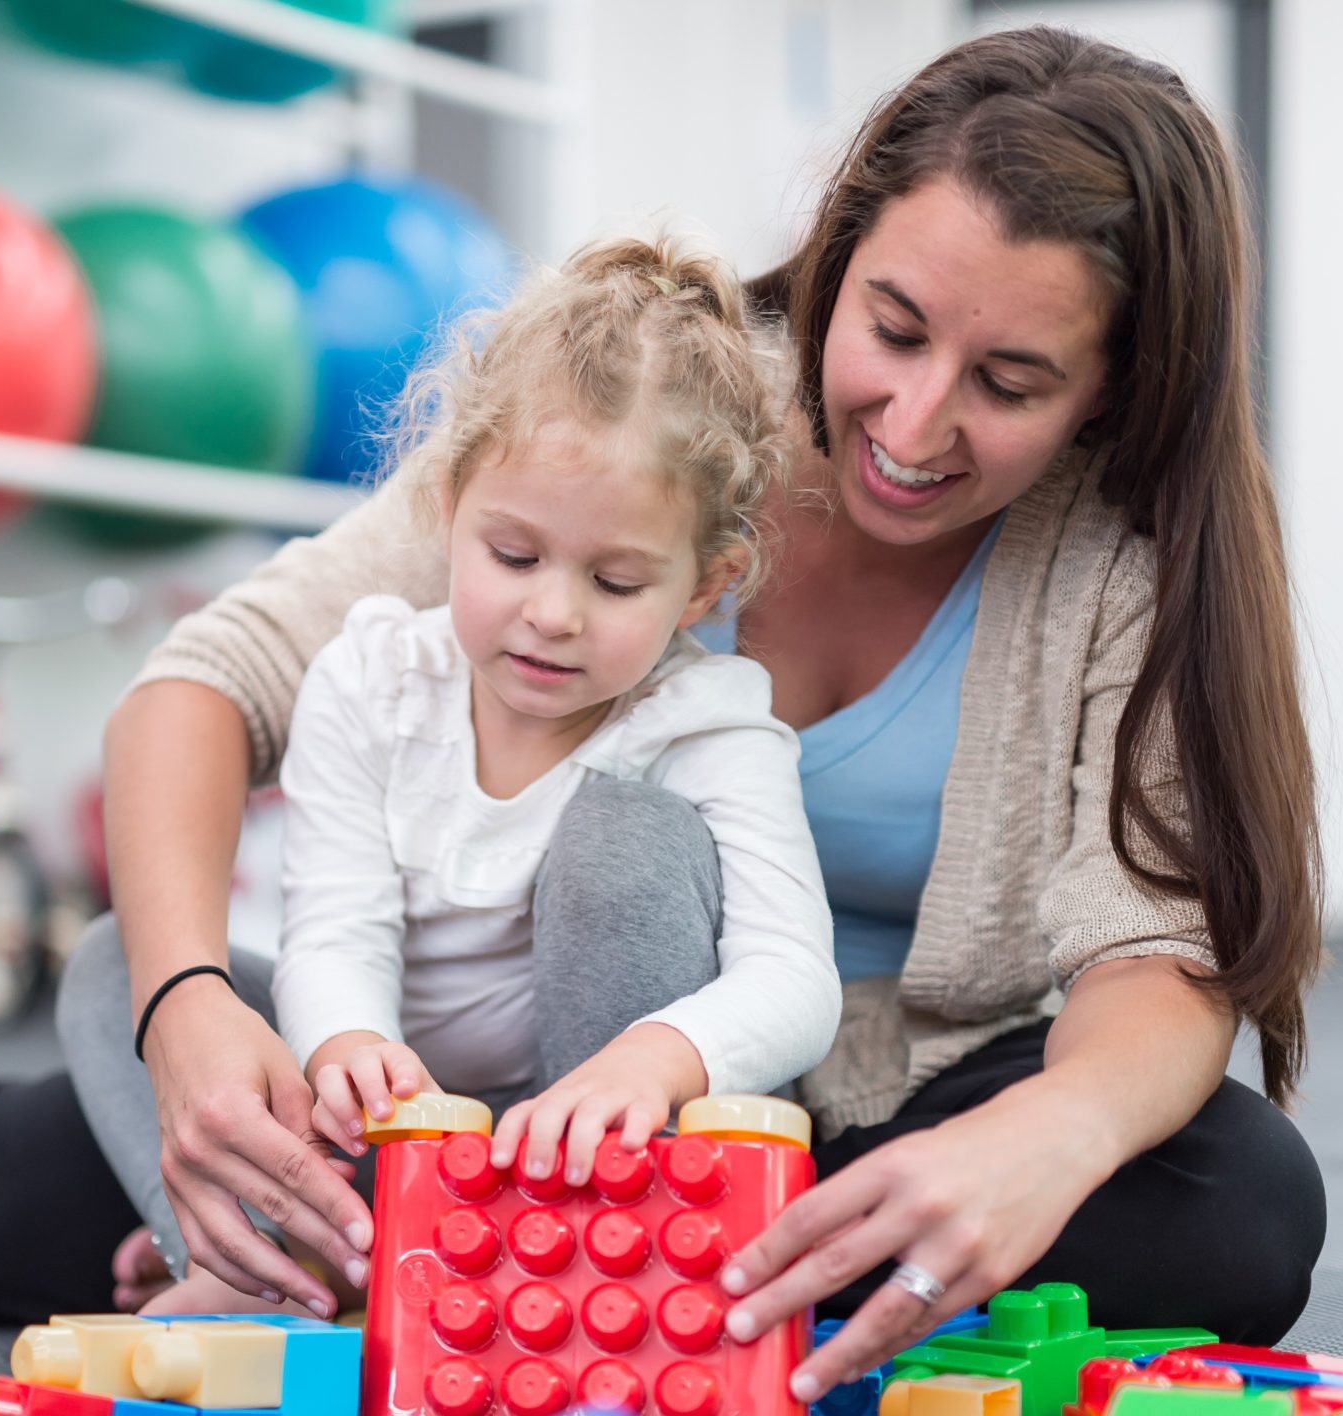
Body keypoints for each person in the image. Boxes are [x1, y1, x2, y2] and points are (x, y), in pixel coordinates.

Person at [0, 25, 1326, 1395]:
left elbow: (1157, 954)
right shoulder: (631, 417)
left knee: (1242, 1211)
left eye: (1010, 380)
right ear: (841, 245)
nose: (917, 422)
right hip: (459, 1063)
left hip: (848, 1097)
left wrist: (1036, 1144)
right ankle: (391, 1236)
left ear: (1110, 396)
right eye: (892, 324)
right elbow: (204, 690)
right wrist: (184, 1019)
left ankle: (514, 1268)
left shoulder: (1117, 563)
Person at [136, 233, 839, 1315]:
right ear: (448, 504)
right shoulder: (369, 676)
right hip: (409, 1137)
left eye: (614, 581)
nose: (550, 614)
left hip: (613, 1137)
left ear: (706, 587)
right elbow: (335, 930)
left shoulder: (707, 719)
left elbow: (794, 981)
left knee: (627, 846)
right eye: (513, 556)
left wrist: (650, 1064)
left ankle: (566, 1266)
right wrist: (351, 1046)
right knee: (125, 973)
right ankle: (292, 1253)